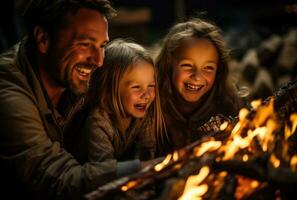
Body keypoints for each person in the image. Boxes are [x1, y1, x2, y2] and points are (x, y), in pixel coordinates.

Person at [0, 1, 148, 199]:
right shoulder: (9, 98)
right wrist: (150, 169)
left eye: (102, 46)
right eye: (85, 44)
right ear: (43, 39)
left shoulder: (72, 72)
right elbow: (61, 179)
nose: (98, 60)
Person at [64, 39, 165, 165]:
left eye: (151, 86)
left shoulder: (142, 112)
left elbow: (146, 151)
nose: (147, 95)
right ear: (109, 89)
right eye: (136, 87)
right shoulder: (99, 120)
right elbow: (104, 168)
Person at [155, 18, 244, 155]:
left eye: (208, 68)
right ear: (168, 64)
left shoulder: (230, 107)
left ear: (219, 70)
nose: (197, 76)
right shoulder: (152, 106)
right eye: (187, 65)